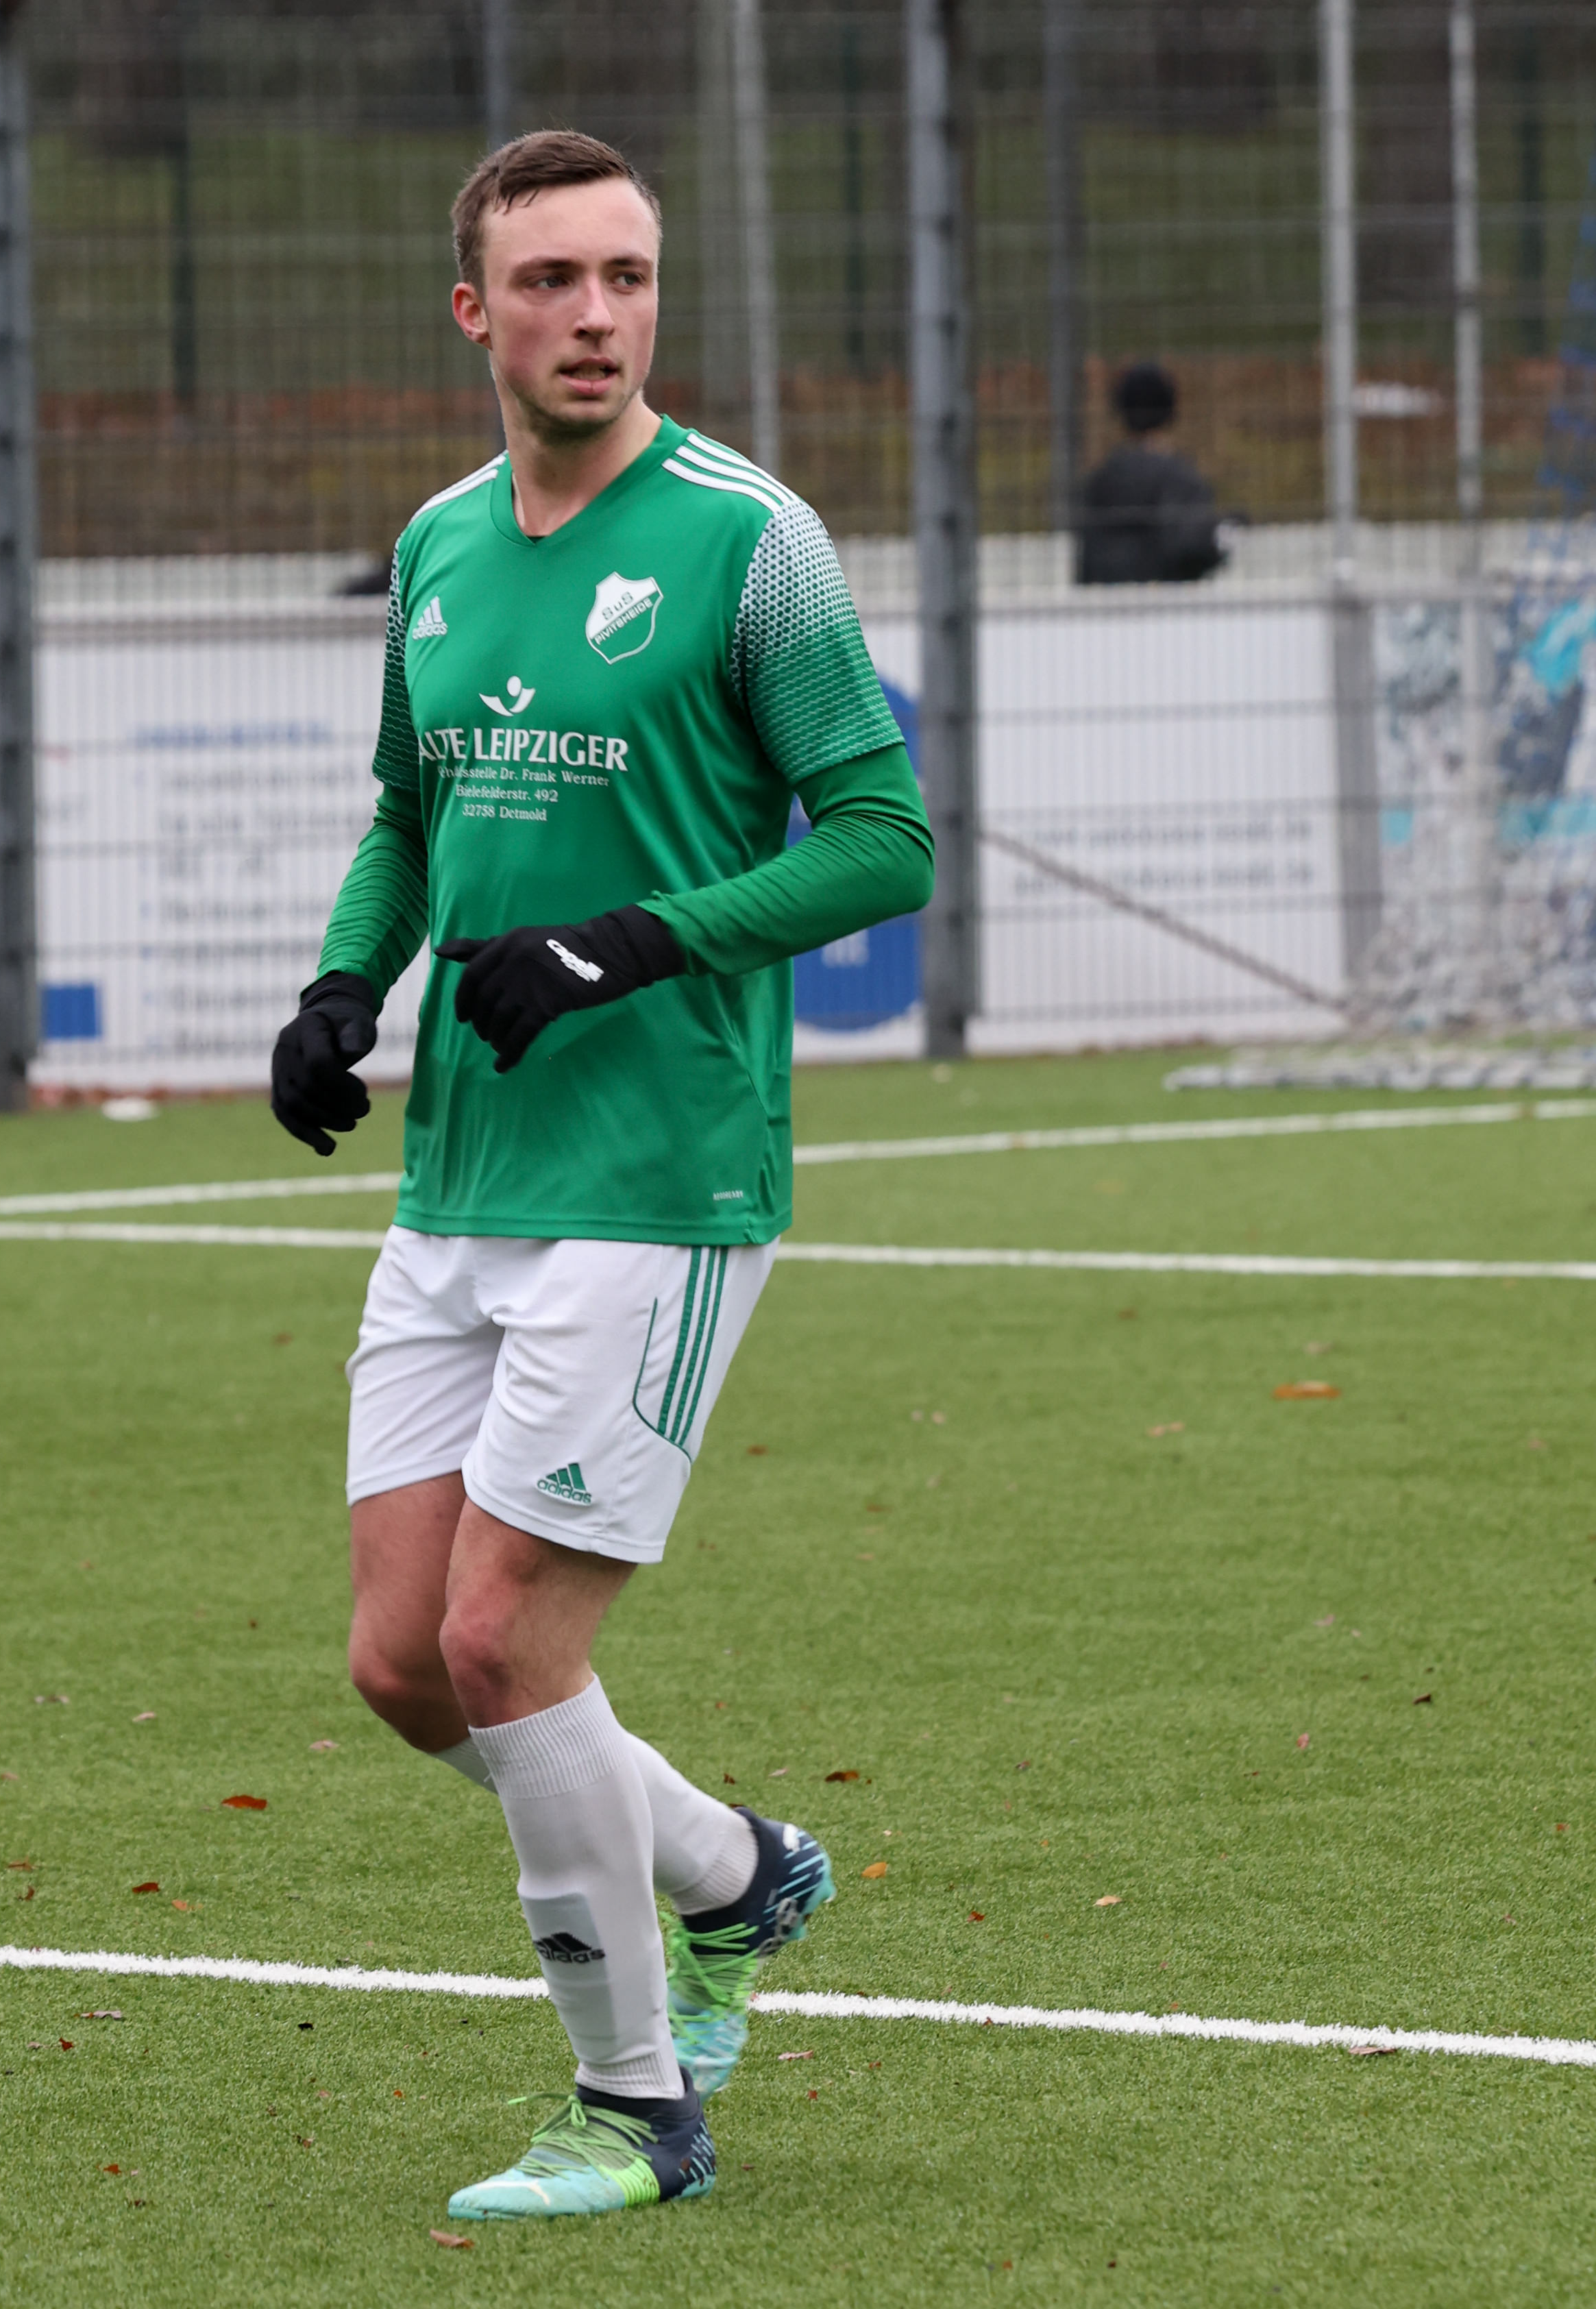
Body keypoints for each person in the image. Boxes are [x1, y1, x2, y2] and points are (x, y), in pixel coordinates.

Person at [268, 130, 933, 2224]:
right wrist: (342, 983)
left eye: (625, 277)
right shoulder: (439, 543)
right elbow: (409, 808)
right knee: (401, 1662)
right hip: (462, 1174)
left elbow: (881, 840)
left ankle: (633, 2107)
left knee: (502, 1641)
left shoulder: (749, 541)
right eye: (550, 280)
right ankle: (735, 1873)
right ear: (474, 310)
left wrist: (630, 943)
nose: (594, 316)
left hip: (660, 1175)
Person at [1073, 361, 1227, 585]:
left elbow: (1087, 563)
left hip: (1110, 602)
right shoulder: (1181, 478)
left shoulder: (1101, 480)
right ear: (1170, 410)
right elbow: (1192, 549)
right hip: (1166, 602)